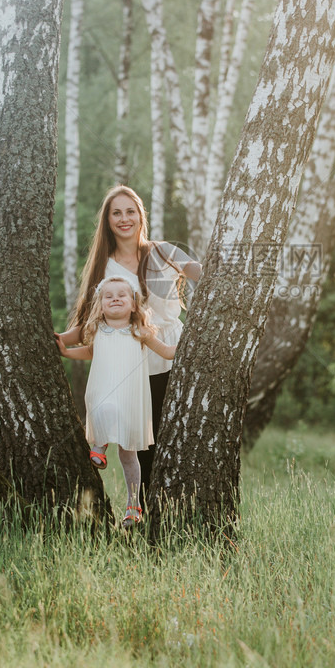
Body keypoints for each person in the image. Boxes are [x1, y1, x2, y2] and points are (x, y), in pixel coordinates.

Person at [56, 185, 201, 506]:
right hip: (133, 364)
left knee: (178, 440)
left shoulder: (162, 251)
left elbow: (202, 273)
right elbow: (90, 322)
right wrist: (60, 341)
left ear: (140, 215)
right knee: (145, 445)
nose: (124, 219)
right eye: (116, 213)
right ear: (108, 221)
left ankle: (180, 510)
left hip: (175, 354)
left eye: (130, 211)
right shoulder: (103, 267)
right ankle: (148, 516)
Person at [56, 276, 176, 527]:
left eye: (122, 295)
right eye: (108, 296)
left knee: (129, 454)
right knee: (101, 407)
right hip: (103, 391)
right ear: (100, 305)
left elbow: (166, 351)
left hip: (131, 399)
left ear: (133, 305)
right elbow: (90, 352)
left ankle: (133, 505)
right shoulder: (97, 330)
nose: (115, 299)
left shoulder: (140, 331)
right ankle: (99, 447)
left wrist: (192, 343)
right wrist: (66, 352)